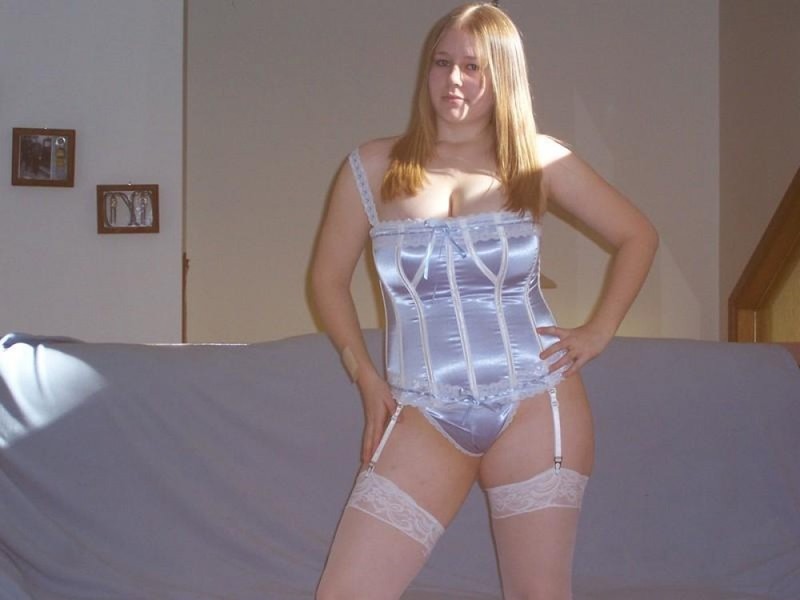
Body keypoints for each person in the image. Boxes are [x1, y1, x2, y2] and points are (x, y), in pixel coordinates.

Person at [310, 3, 658, 599]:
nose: (454, 79)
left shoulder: (536, 159)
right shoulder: (371, 167)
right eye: (442, 62)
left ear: (503, 77)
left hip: (536, 402)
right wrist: (364, 375)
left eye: (474, 67)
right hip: (423, 408)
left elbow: (638, 236)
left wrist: (599, 331)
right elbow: (326, 280)